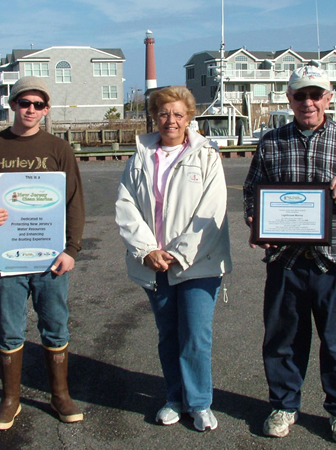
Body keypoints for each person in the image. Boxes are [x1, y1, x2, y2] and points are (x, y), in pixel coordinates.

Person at [243, 65, 336, 444]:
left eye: (315, 94)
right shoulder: (272, 141)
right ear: (289, 99)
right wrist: (255, 221)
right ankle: (284, 405)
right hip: (286, 263)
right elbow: (252, 190)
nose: (308, 102)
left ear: (329, 97)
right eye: (300, 95)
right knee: (283, 341)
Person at [0, 76, 86, 430]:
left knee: (55, 324)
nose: (31, 109)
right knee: (10, 329)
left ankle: (60, 395)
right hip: (10, 254)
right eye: (24, 103)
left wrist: (72, 249)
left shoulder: (58, 148)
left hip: (51, 256)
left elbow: (74, 202)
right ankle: (10, 400)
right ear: (13, 105)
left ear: (46, 109)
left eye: (38, 104)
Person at [115, 86, 232, 432]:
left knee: (195, 334)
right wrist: (147, 250)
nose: (171, 120)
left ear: (189, 118)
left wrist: (179, 254)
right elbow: (126, 206)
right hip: (154, 263)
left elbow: (212, 210)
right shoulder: (139, 156)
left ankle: (199, 403)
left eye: (178, 114)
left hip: (199, 262)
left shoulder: (207, 156)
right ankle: (174, 399)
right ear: (155, 116)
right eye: (164, 113)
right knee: (168, 334)